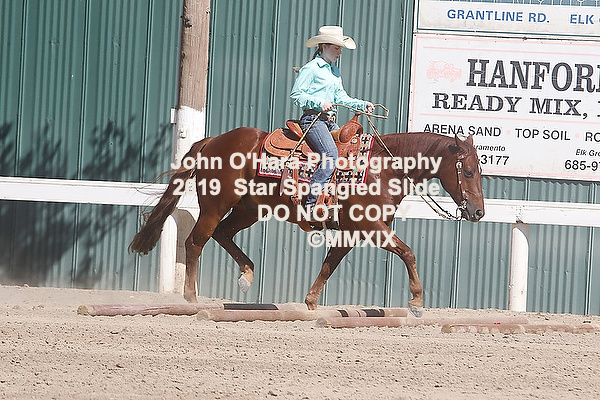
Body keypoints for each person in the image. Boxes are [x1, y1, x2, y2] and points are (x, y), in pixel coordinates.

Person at [290, 25, 375, 218]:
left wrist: (362, 104)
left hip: (329, 121)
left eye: (340, 48)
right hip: (313, 119)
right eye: (336, 48)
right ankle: (311, 204)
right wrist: (319, 102)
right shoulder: (311, 68)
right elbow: (296, 94)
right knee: (330, 155)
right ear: (324, 46)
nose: (340, 52)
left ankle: (335, 199)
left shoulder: (334, 71)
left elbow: (342, 98)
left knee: (349, 152)